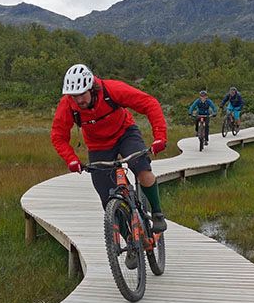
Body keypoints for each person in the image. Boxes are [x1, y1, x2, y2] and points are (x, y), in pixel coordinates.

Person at [51, 64, 169, 238]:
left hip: (125, 133)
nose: (79, 101)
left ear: (91, 88)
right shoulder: (68, 105)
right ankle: (128, 240)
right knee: (106, 197)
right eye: (74, 96)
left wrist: (160, 137)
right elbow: (58, 136)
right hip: (98, 146)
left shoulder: (111, 89)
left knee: (142, 170)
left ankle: (157, 214)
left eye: (82, 94)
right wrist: (71, 159)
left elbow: (149, 103)